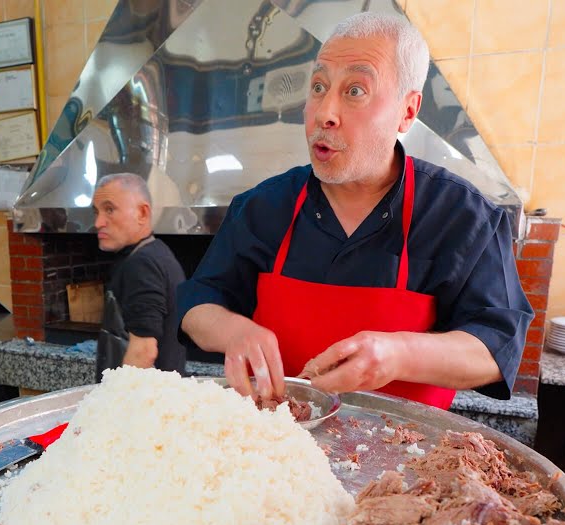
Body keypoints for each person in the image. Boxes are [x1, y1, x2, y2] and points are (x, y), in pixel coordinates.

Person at [177, 12, 532, 409]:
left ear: (407, 111)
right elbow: (196, 303)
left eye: (355, 91)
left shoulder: (464, 217)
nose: (324, 113)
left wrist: (396, 355)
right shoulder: (262, 207)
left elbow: (496, 347)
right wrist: (233, 331)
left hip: (406, 458)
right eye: (318, 86)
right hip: (278, 446)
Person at [92, 173, 187, 378]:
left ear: (142, 213)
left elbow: (143, 351)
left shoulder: (142, 264)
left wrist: (115, 402)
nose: (98, 222)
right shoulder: (156, 253)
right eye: (97, 211)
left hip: (147, 402)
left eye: (110, 209)